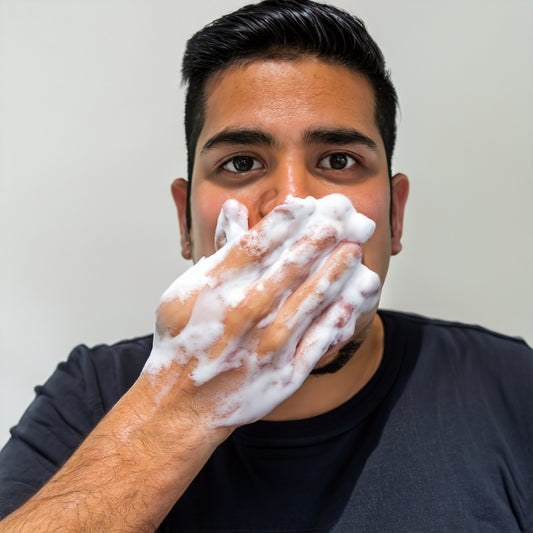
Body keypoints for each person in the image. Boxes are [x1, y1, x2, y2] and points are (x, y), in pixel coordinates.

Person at [0, 0, 532, 531]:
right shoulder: (93, 392)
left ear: (395, 217)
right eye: (241, 163)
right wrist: (184, 409)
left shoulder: (512, 388)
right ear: (186, 224)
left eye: (339, 160)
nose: (291, 204)